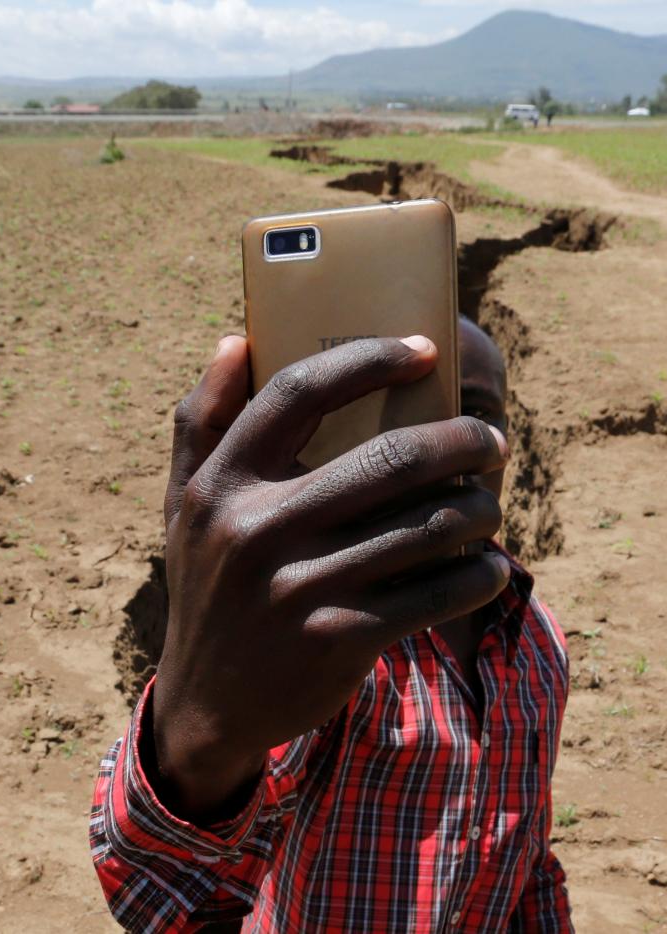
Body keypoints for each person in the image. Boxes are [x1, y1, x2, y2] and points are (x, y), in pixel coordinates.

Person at [90, 317, 572, 932]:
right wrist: (197, 740)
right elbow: (167, 894)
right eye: (399, 422)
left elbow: (524, 860)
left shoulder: (535, 640)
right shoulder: (317, 640)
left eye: (474, 415)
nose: (444, 444)